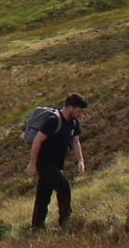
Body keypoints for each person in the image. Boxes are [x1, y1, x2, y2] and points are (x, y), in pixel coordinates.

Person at [27, 94, 88, 231]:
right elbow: (38, 140)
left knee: (44, 193)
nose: (80, 114)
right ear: (70, 107)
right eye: (79, 111)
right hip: (44, 162)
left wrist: (80, 161)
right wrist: (32, 163)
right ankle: (65, 222)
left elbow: (75, 141)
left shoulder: (73, 122)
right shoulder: (53, 120)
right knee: (64, 187)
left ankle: (37, 227)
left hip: (57, 163)